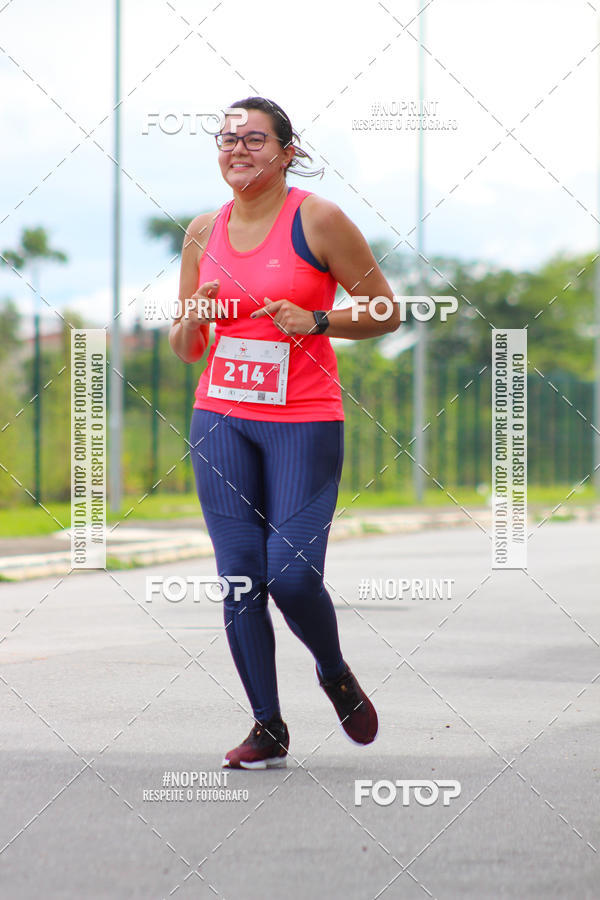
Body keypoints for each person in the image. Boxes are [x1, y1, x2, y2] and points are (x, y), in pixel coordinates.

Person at [170, 96, 399, 769]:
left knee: (292, 576)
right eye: (226, 139)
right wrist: (194, 318)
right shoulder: (201, 231)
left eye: (253, 139)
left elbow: (385, 311)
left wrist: (320, 321)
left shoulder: (318, 219)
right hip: (221, 421)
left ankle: (332, 670)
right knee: (240, 580)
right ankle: (267, 725)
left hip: (303, 421)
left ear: (287, 151)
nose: (237, 149)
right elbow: (187, 348)